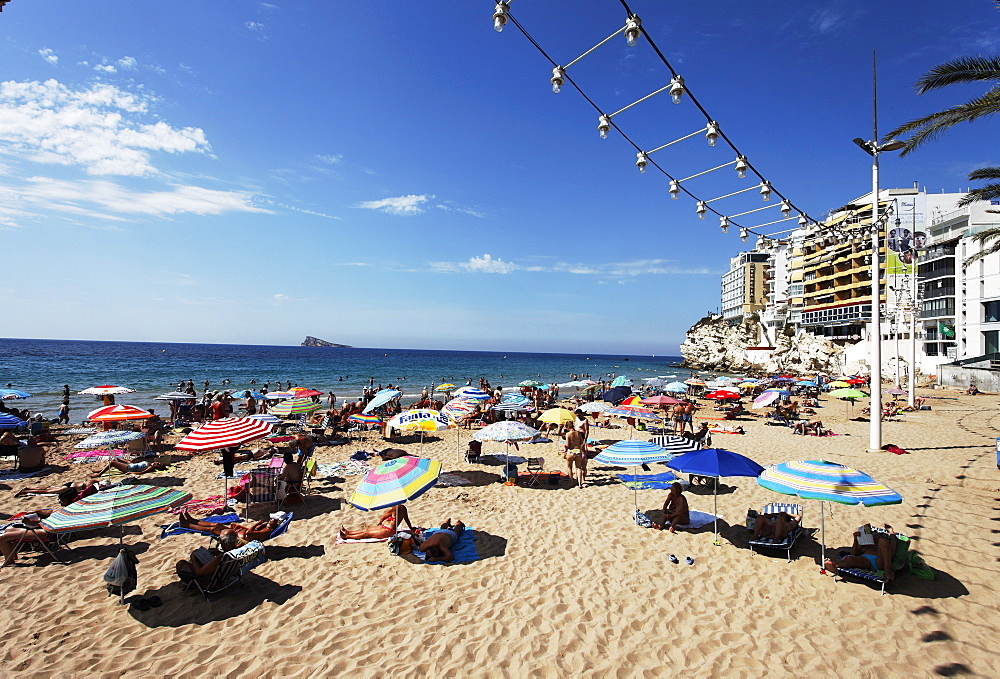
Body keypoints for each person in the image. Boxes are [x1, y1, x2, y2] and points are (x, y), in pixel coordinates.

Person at [824, 524, 900, 581]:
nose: (875, 537)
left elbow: (893, 543)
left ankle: (887, 571)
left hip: (880, 561)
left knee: (883, 541)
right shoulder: (867, 546)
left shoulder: (885, 545)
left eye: (877, 535)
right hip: (866, 560)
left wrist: (891, 531)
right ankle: (834, 565)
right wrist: (855, 540)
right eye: (874, 536)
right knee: (850, 558)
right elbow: (854, 554)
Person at [175, 529, 240, 580]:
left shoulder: (221, 557)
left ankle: (186, 584)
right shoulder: (237, 551)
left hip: (209, 582)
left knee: (181, 564)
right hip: (225, 576)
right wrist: (219, 552)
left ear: (222, 542)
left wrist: (193, 557)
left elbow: (198, 572)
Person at [177, 513, 283, 543]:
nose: (270, 519)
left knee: (213, 530)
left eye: (272, 519)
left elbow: (250, 534)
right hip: (237, 533)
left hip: (238, 539)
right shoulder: (267, 526)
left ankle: (187, 525)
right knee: (217, 525)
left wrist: (257, 524)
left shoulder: (266, 531)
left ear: (275, 522)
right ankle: (192, 520)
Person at [339, 504, 412, 540]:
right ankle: (348, 532)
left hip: (388, 530)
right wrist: (411, 528)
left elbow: (383, 517)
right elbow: (407, 519)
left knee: (366, 533)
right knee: (366, 530)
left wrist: (380, 522)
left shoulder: (393, 508)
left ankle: (346, 536)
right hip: (387, 528)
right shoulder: (403, 508)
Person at [93, 459, 166, 476]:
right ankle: (100, 471)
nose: (157, 463)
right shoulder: (149, 463)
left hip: (128, 468)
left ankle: (99, 474)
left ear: (157, 467)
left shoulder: (150, 467)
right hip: (129, 465)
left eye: (158, 464)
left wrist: (131, 472)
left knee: (112, 463)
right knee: (115, 460)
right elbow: (135, 464)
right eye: (158, 462)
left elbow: (141, 473)